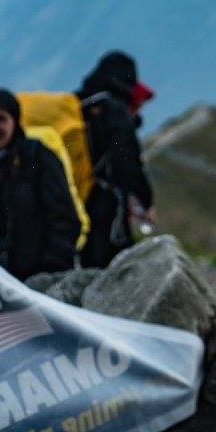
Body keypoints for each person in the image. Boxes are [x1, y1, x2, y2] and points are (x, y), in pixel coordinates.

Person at [0, 88, 81, 280]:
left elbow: (64, 217)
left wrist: (50, 271)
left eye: (1, 119)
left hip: (38, 276)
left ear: (14, 121)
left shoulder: (38, 156)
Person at [77, 50, 156, 268]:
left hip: (74, 194)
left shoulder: (78, 103)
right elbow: (128, 160)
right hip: (104, 200)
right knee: (109, 262)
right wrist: (146, 201)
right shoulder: (115, 110)